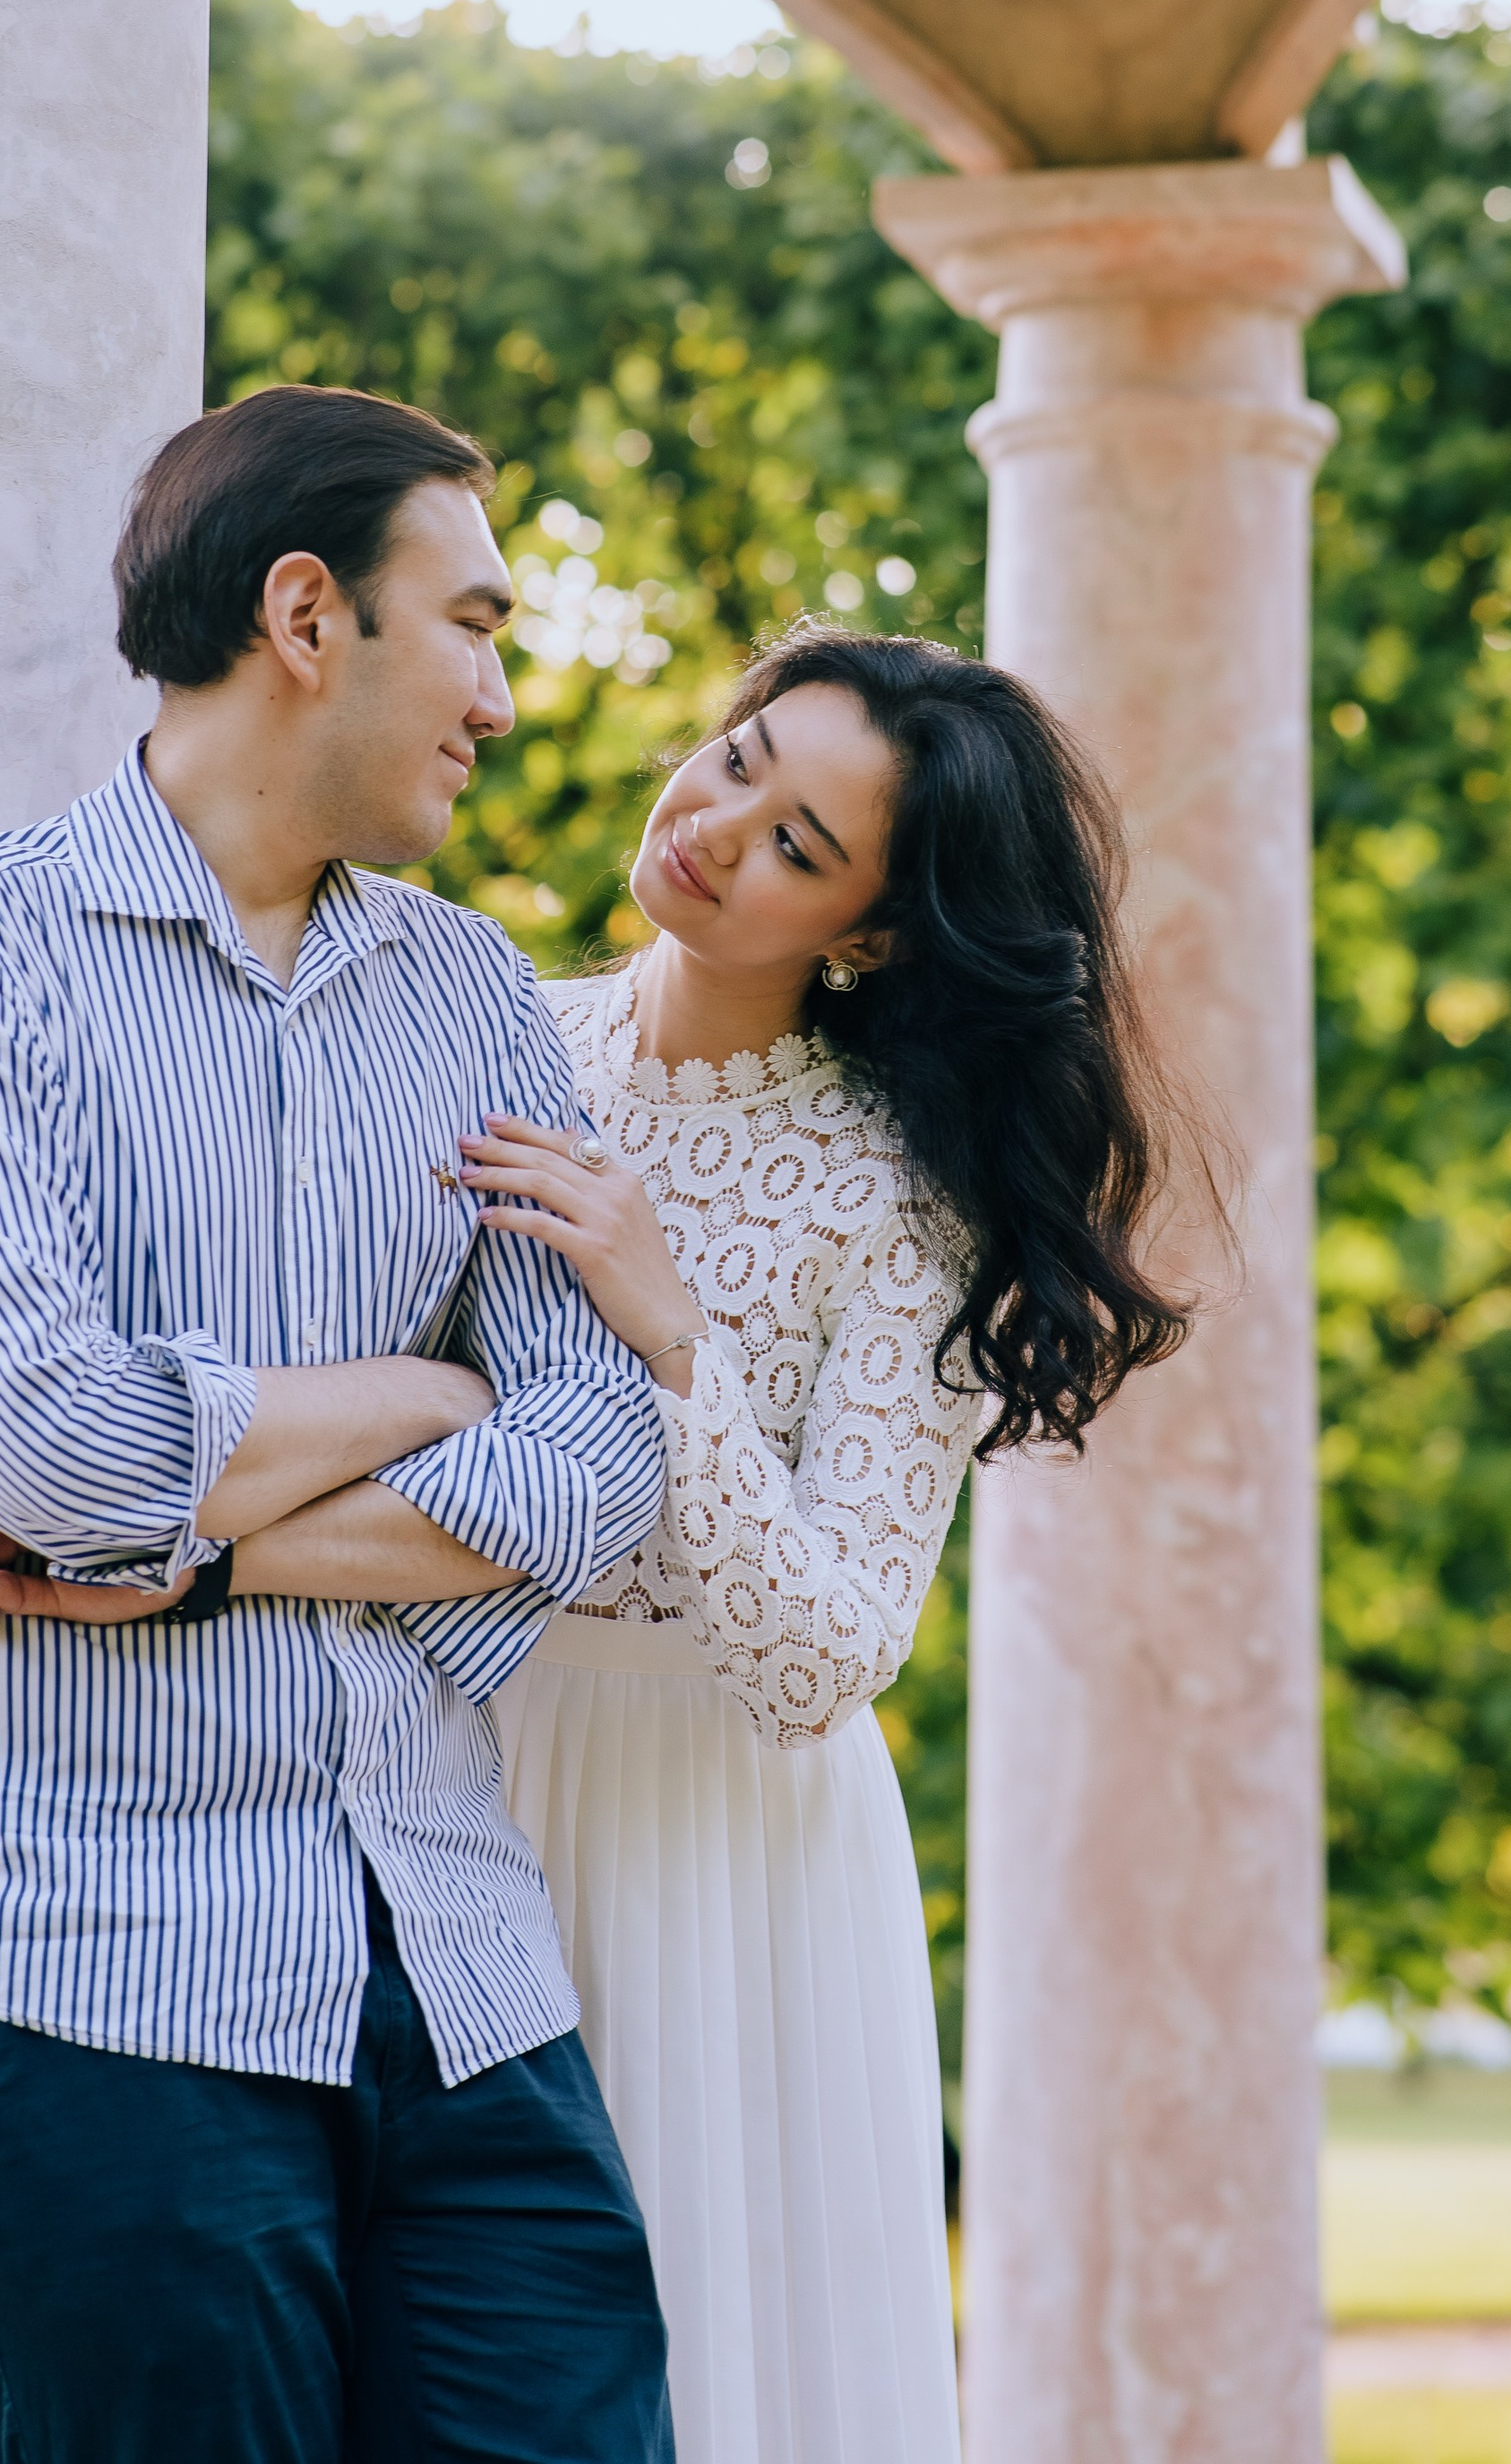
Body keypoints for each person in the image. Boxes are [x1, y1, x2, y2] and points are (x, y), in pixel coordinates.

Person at [0, 382, 676, 2464]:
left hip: (463, 1982)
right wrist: (425, 1387)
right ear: (307, 612)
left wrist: (204, 1546)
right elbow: (55, 1458)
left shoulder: (478, 998)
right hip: (91, 1981)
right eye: (474, 624)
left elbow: (596, 1463)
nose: (500, 694)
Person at [465, 625, 1196, 2464]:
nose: (714, 826)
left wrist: (669, 1340)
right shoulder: (484, 1042)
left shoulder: (898, 1196)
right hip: (446, 1765)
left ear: (868, 934)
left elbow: (822, 1659)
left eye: (799, 843)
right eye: (735, 760)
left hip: (717, 1833)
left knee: (695, 2369)